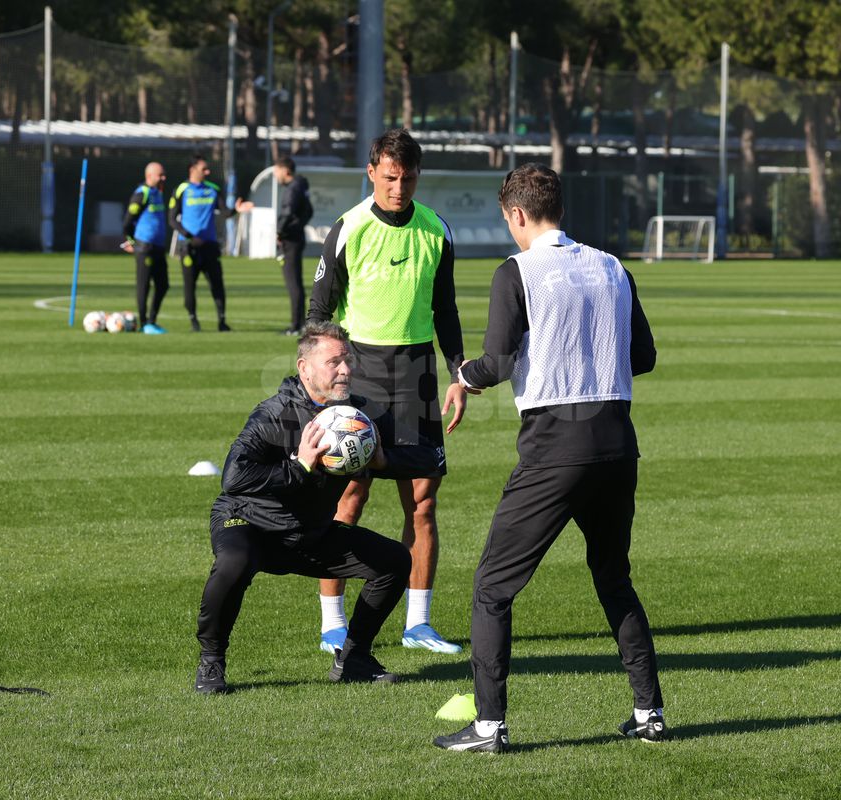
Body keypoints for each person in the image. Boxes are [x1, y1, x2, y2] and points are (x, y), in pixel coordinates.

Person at [433, 164, 664, 753]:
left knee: (492, 588)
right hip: (617, 443)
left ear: (516, 214)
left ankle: (489, 728)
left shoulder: (517, 271)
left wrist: (461, 375)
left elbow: (497, 363)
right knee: (614, 578)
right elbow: (643, 357)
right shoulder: (613, 266)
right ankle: (649, 712)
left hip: (555, 446)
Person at [194, 321, 442, 693]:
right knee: (234, 563)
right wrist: (299, 466)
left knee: (392, 561)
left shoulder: (360, 415)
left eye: (348, 361)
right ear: (304, 368)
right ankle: (211, 662)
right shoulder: (274, 414)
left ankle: (354, 658)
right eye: (334, 362)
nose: (345, 370)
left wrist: (383, 462)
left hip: (311, 533)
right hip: (249, 523)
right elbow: (234, 477)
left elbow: (428, 457)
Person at [307, 129, 467, 656]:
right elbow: (319, 314)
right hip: (360, 375)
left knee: (422, 504)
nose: (400, 187)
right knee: (348, 497)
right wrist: (319, 382)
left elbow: (445, 309)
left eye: (410, 177)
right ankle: (334, 624)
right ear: (372, 171)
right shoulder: (348, 229)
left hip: (418, 374)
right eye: (391, 177)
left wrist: (457, 375)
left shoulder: (436, 230)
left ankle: (417, 623)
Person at [169, 154, 229, 333]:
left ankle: (222, 321)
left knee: (217, 284)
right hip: (188, 247)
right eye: (204, 169)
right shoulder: (181, 189)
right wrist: (188, 236)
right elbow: (172, 219)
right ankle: (194, 321)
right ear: (192, 169)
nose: (208, 172)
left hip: (210, 245)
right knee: (190, 285)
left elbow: (224, 212)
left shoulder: (213, 189)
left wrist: (236, 210)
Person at [121, 162, 170, 334]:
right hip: (145, 247)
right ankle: (144, 324)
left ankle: (152, 321)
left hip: (158, 246)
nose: (164, 178)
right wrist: (131, 243)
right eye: (160, 175)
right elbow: (127, 223)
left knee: (163, 285)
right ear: (149, 176)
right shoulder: (142, 194)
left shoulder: (158, 193)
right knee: (144, 285)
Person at [274, 157, 314, 336]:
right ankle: (298, 323)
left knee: (293, 283)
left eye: (276, 171)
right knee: (295, 281)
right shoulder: (301, 187)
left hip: (291, 239)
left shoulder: (293, 188)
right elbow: (309, 211)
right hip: (296, 236)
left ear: (285, 170)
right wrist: (299, 225)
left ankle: (296, 325)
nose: (275, 175)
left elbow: (288, 212)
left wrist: (280, 232)